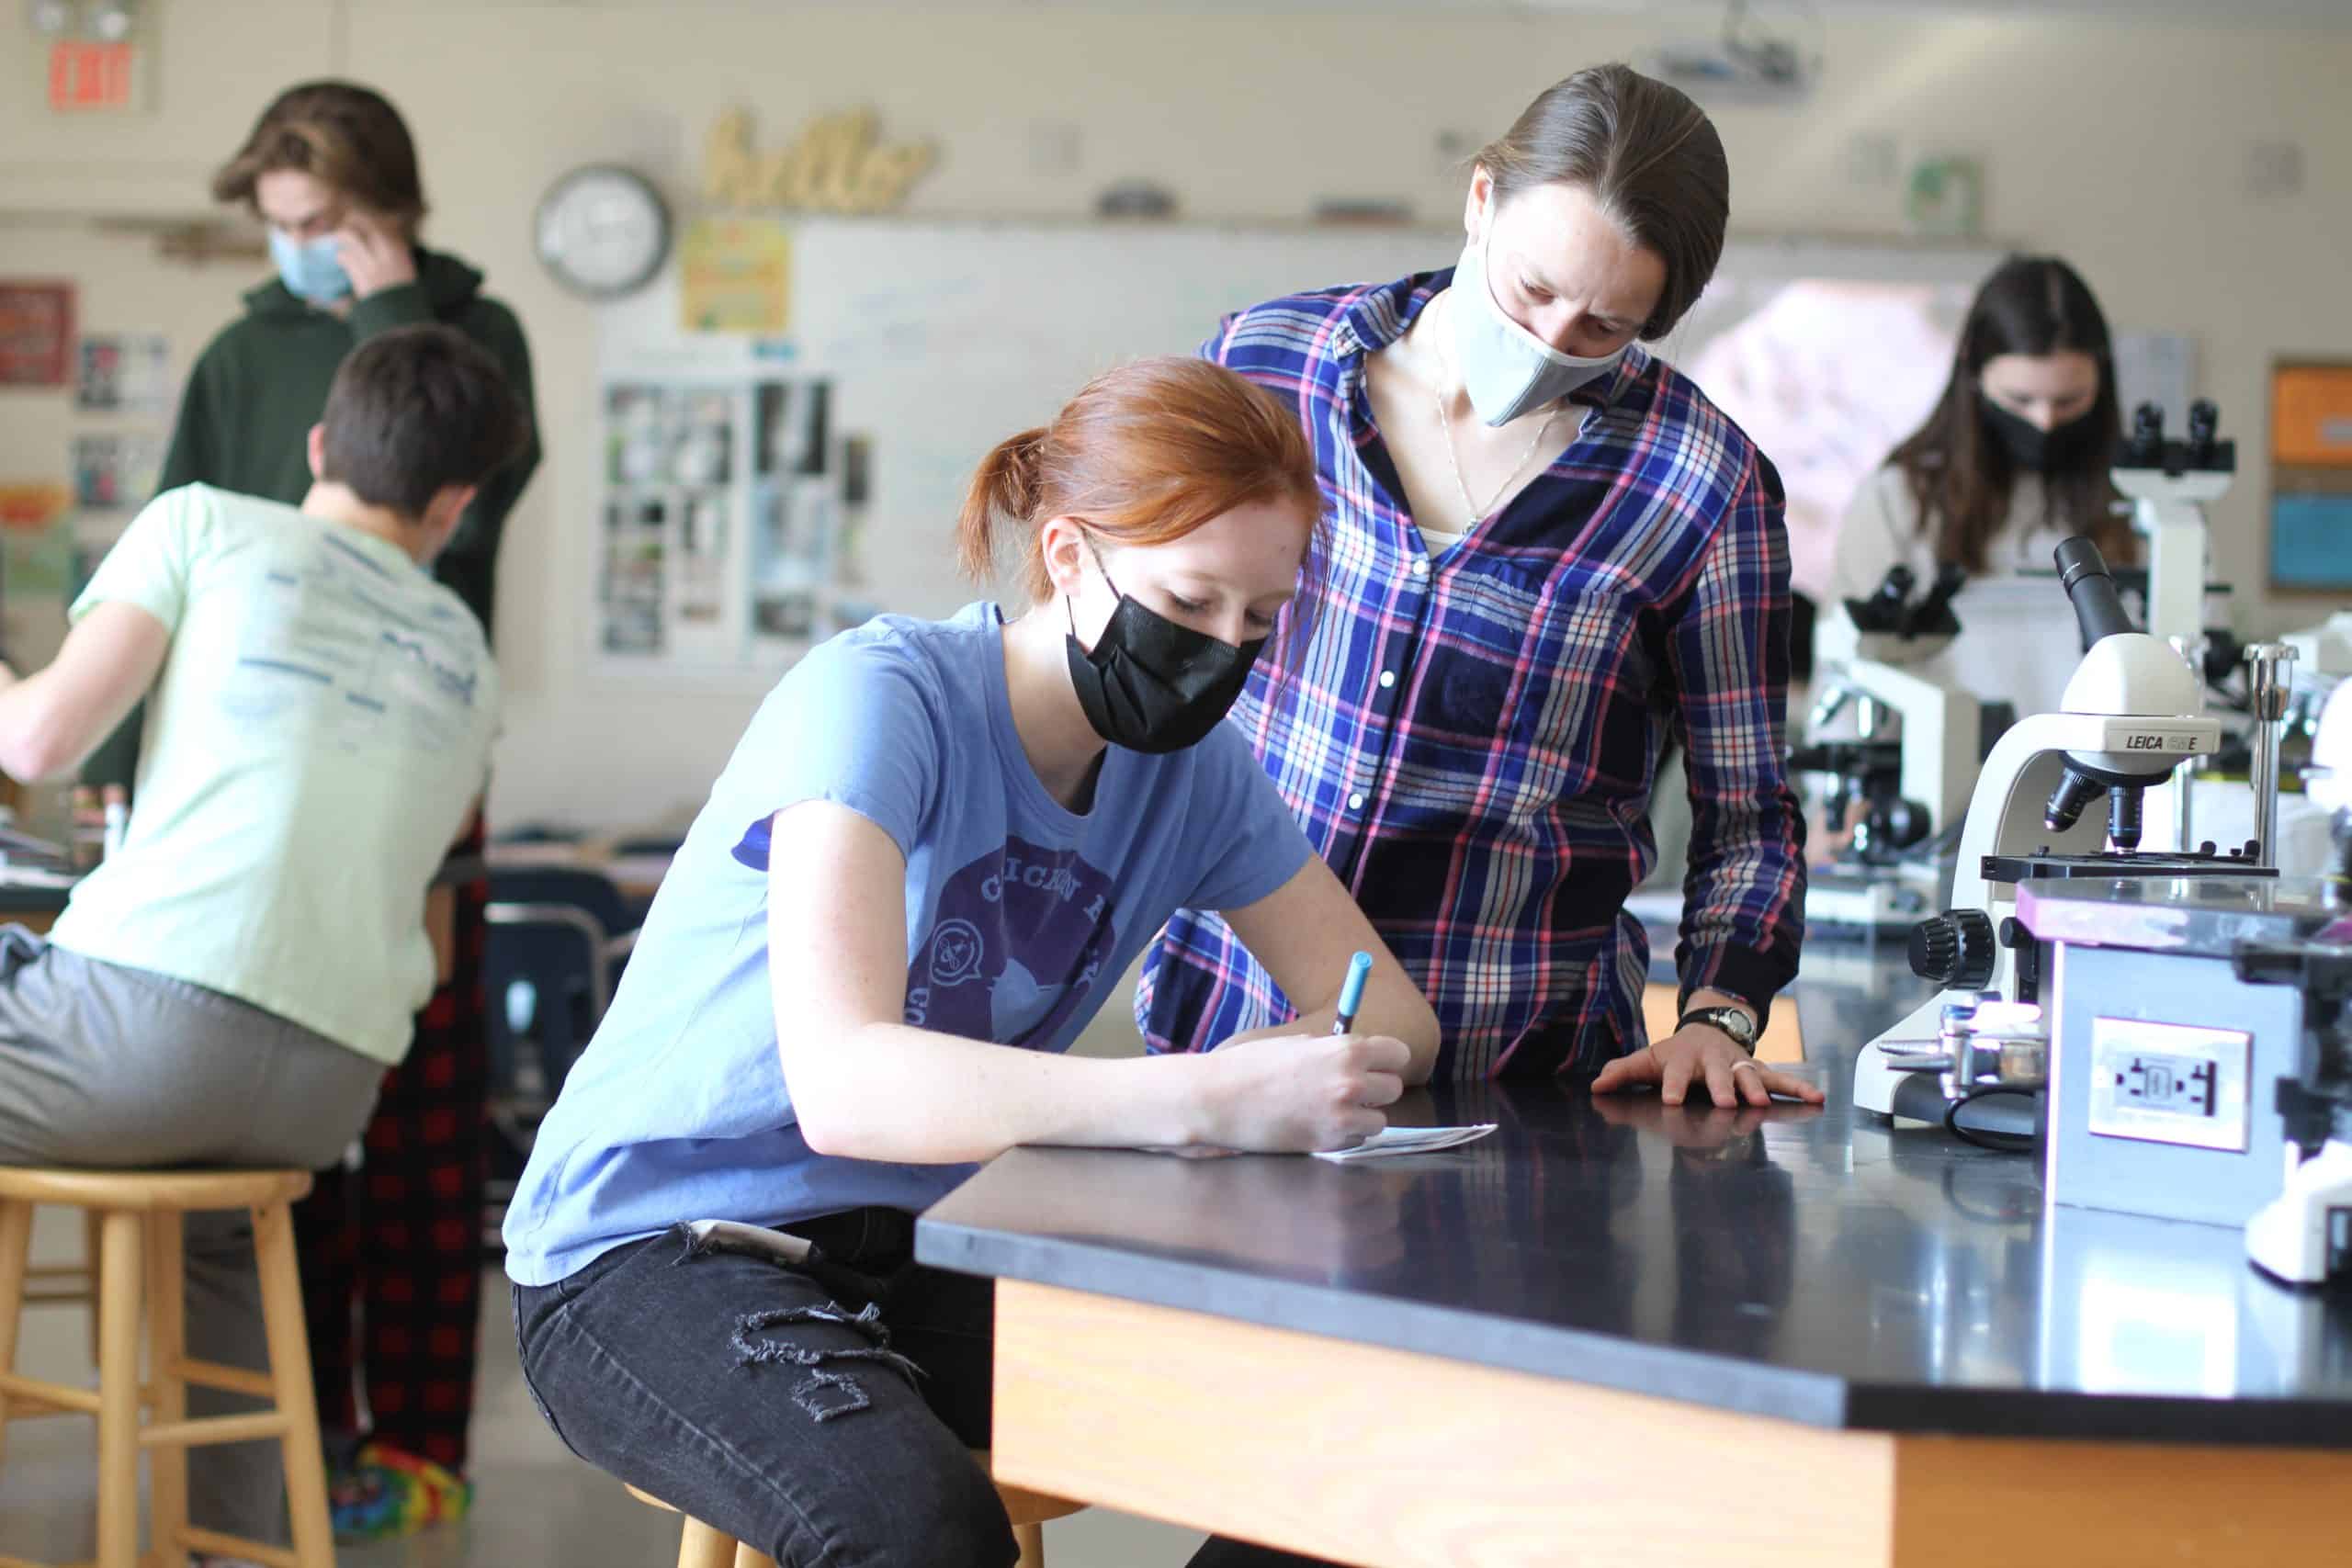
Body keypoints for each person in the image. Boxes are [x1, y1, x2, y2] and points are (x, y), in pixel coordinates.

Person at [503, 357, 1440, 1567]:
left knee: (1356, 1453)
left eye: (1259, 621)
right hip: (656, 1241)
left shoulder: (1193, 776)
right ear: (1067, 554)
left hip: (910, 1250)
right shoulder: (880, 697)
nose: (1222, 650)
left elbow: (1395, 1015)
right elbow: (846, 1085)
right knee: (920, 1529)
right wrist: (1203, 1097)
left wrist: (1300, 1060)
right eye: (1191, 599)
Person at [1139, 63, 1818, 1113]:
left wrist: (1718, 1015)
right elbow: (1142, 655)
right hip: (1226, 1033)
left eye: (1603, 328)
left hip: (1513, 1076)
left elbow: (1748, 816)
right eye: (1532, 291)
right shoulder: (1266, 371)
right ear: (1480, 199)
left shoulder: (1698, 484)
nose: (1550, 344)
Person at [84, 78, 541, 1536]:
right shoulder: (242, 354)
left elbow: (468, 522)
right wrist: (118, 777)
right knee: (257, 1120)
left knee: (408, 1123)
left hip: (408, 771)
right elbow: (163, 568)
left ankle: (414, 1446)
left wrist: (387, 308)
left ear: (389, 211)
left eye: (325, 221)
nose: (298, 247)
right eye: (281, 222)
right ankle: (295, 1437)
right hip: (236, 780)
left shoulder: (478, 332)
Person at [0, 325, 518, 1553]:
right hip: (321, 1094)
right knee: (217, 1241)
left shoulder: (204, 524)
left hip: (140, 1043)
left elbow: (36, 744)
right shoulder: (467, 653)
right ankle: (232, 1540)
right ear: (455, 502)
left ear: (321, 445)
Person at [1825, 255, 2129, 722]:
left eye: (2068, 401)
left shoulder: (2143, 503)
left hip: (2106, 764)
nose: (2045, 421)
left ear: (2101, 382)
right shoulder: (1899, 499)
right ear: (1973, 370)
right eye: (2020, 400)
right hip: (1945, 765)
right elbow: (1847, 674)